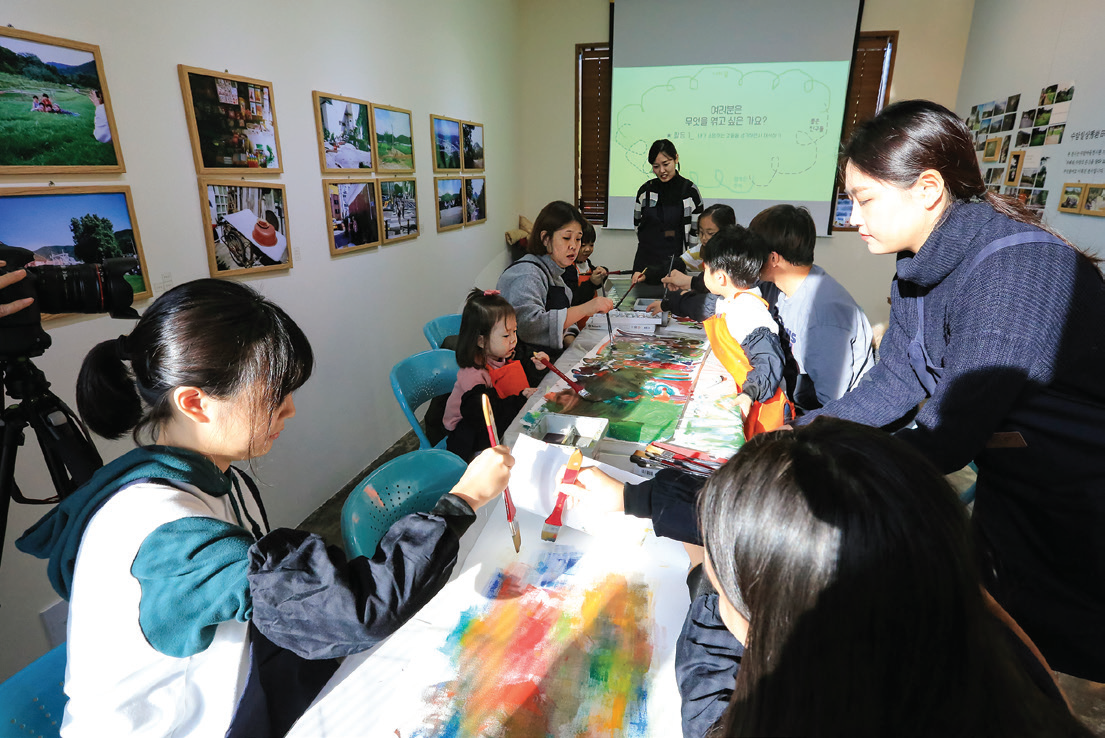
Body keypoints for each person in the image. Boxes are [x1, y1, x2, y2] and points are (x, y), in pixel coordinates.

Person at [15, 279, 513, 737]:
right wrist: (463, 500)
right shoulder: (168, 532)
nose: (290, 409)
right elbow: (355, 611)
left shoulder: (202, 474)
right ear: (195, 403)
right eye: (274, 394)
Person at [796, 99, 1105, 681]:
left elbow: (947, 434)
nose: (853, 216)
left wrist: (817, 465)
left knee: (1066, 670)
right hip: (1015, 492)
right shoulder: (921, 261)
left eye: (864, 199)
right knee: (1008, 646)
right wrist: (806, 433)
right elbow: (896, 379)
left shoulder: (1019, 270)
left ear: (928, 188)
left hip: (1081, 506)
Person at [674, 418, 1092, 737]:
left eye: (721, 575)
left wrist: (707, 586)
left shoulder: (790, 710)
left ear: (774, 626)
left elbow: (708, 710)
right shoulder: (992, 654)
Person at [751, 204, 874, 413]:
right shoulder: (773, 286)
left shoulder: (824, 312)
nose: (748, 259)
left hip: (829, 420)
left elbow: (831, 406)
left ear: (773, 258)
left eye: (752, 251)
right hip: (794, 399)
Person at [700, 225, 791, 437]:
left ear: (720, 277)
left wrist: (750, 394)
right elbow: (703, 305)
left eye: (705, 268)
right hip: (745, 397)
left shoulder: (749, 311)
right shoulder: (729, 300)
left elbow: (769, 358)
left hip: (762, 408)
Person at [497, 200, 612, 358]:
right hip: (527, 367)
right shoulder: (527, 274)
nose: (574, 246)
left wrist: (573, 344)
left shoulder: (556, 272)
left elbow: (563, 319)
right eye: (566, 238)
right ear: (545, 238)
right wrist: (586, 308)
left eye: (578, 239)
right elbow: (529, 325)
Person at [445, 288, 549, 460]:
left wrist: (537, 369)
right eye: (506, 335)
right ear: (481, 340)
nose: (514, 339)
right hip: (469, 435)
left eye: (515, 331)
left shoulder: (503, 353)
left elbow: (516, 383)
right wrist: (521, 398)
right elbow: (485, 415)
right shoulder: (473, 375)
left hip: (502, 415)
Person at [632, 139, 703, 283]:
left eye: (666, 164)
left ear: (676, 158)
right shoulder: (645, 191)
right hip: (645, 261)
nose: (661, 171)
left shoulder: (690, 192)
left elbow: (695, 232)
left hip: (675, 263)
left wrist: (688, 263)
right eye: (656, 166)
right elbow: (637, 225)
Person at [650, 203, 736, 319]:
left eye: (710, 233)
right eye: (700, 233)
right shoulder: (701, 251)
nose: (704, 238)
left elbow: (709, 302)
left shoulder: (734, 259)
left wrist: (689, 284)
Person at [563, 219, 608, 308]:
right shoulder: (566, 269)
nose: (588, 249)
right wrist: (592, 283)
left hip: (591, 316)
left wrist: (603, 272)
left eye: (591, 245)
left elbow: (596, 284)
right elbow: (574, 299)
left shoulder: (586, 263)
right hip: (575, 318)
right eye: (583, 245)